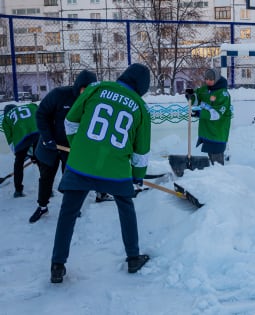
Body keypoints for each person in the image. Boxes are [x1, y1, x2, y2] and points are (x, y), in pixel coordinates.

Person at [50, 63, 151, 283]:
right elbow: (141, 151)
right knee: (126, 208)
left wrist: (78, 148)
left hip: (81, 165)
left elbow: (70, 121)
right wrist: (137, 177)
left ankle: (57, 265)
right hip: (116, 170)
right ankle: (133, 257)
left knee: (67, 213)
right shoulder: (140, 108)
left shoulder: (96, 88)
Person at [30, 70, 112, 223]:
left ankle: (72, 207)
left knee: (72, 178)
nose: (87, 93)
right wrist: (48, 138)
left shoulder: (93, 102)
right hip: (50, 145)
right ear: (78, 86)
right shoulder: (59, 95)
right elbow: (41, 114)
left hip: (71, 148)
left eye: (91, 89)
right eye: (84, 89)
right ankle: (42, 206)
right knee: (46, 177)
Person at [185, 68, 232, 165]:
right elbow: (197, 100)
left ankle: (221, 177)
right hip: (207, 130)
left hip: (217, 131)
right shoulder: (205, 89)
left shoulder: (223, 94)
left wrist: (200, 113)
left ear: (216, 79)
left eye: (211, 79)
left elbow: (217, 114)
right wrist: (190, 96)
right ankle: (212, 177)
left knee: (217, 162)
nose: (208, 81)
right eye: (206, 79)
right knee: (211, 160)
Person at [2, 103, 39, 197]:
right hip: (38, 132)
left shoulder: (6, 119)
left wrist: (19, 155)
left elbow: (10, 140)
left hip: (21, 139)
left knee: (18, 164)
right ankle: (47, 189)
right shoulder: (31, 106)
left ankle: (18, 191)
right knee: (41, 160)